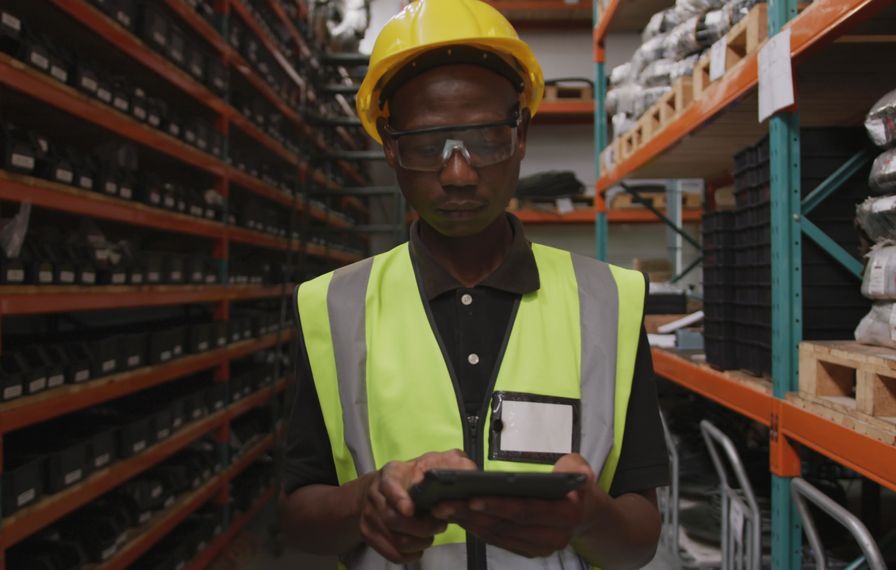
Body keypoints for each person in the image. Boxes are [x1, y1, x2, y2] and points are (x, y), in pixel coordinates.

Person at [280, 0, 668, 567]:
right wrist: (365, 501)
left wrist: (589, 518)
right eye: (425, 145)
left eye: (485, 140)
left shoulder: (609, 301)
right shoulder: (331, 306)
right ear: (389, 145)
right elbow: (297, 521)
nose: (458, 173)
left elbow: (640, 536)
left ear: (521, 133)